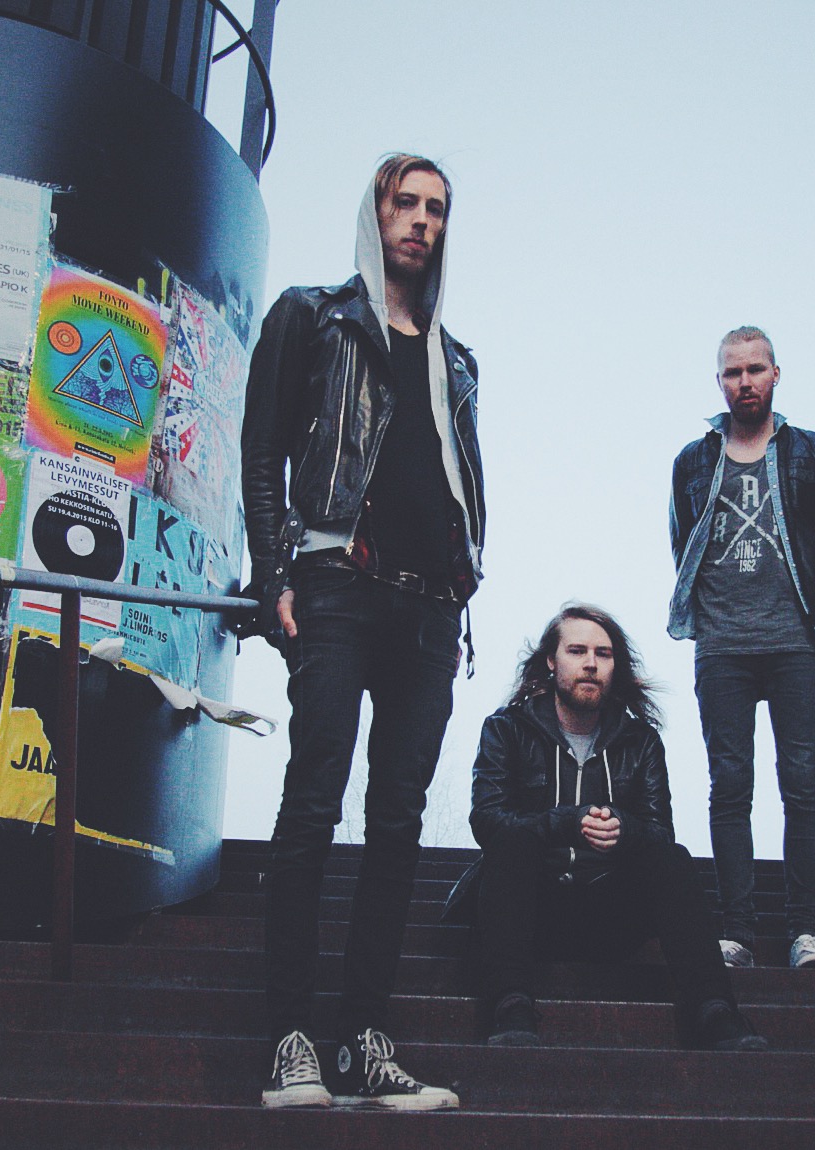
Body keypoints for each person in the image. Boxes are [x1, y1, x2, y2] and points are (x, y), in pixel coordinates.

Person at [240, 153, 485, 1108]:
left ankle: (366, 1037)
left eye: (436, 208)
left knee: (397, 824)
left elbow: (457, 478)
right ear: (375, 213)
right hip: (337, 580)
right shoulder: (314, 316)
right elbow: (264, 449)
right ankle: (289, 1038)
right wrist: (273, 577)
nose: (421, 220)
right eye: (405, 203)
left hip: (431, 607)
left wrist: (464, 583)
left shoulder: (457, 359)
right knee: (313, 803)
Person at [445, 604, 768, 1051]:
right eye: (577, 651)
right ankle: (511, 1005)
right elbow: (488, 820)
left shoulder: (639, 740)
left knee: (672, 858)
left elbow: (659, 833)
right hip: (531, 911)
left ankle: (715, 1011)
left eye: (604, 653)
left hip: (609, 915)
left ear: (616, 666)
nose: (591, 664)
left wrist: (625, 830)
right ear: (551, 661)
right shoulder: (507, 729)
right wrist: (565, 822)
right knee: (511, 842)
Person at [668, 326, 815, 970]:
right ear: (719, 381)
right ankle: (738, 932)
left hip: (794, 643)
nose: (743, 381)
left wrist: (812, 608)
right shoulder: (692, 461)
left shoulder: (813, 452)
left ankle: (805, 930)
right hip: (722, 647)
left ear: (776, 374)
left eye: (754, 369)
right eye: (732, 372)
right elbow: (681, 543)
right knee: (730, 785)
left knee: (802, 783)